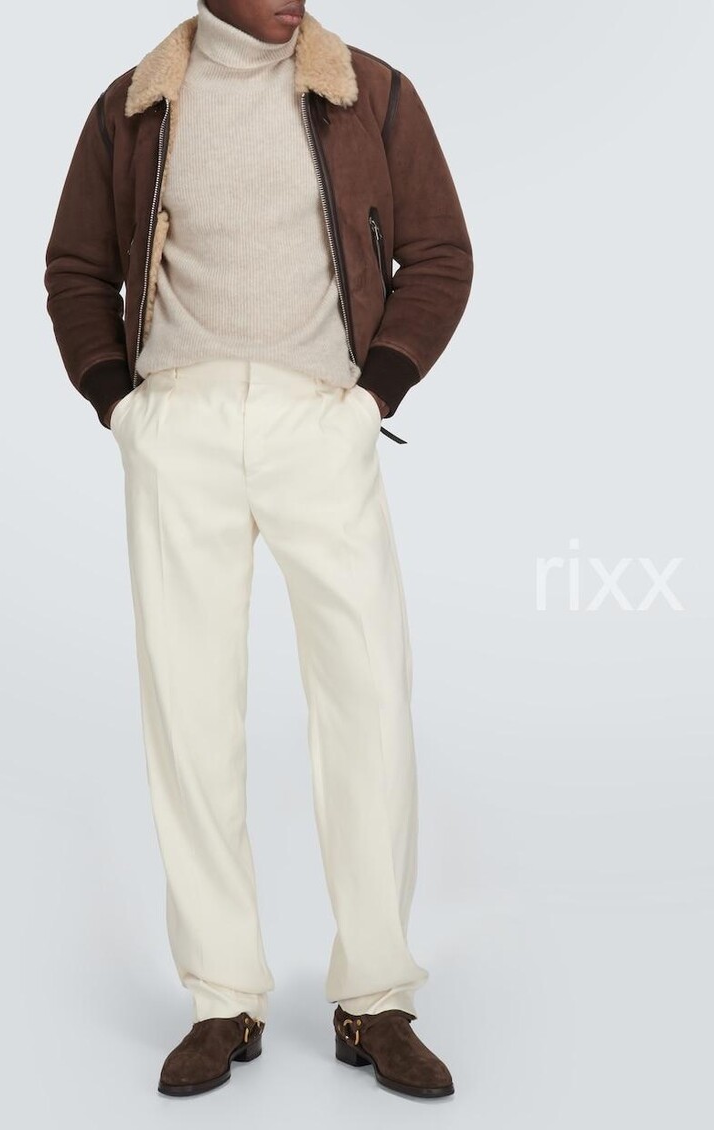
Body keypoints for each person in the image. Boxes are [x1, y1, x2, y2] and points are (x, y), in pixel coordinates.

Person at [43, 0, 473, 1100]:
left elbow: (439, 253)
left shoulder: (369, 93)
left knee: (368, 699)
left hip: (319, 421)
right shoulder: (133, 108)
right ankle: (222, 995)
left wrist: (372, 397)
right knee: (188, 709)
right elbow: (75, 268)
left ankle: (374, 995)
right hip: (176, 424)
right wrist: (121, 407)